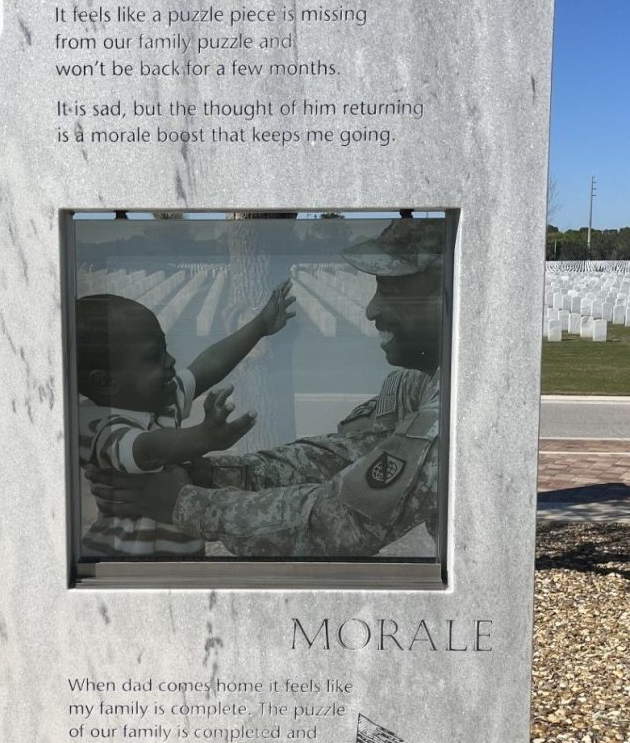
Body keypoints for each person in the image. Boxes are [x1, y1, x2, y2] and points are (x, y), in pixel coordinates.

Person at [87, 218, 445, 559]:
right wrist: (209, 474)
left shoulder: (447, 414)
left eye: (394, 289)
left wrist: (186, 503)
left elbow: (344, 520)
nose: (371, 309)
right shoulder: (416, 382)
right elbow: (344, 456)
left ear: (449, 296)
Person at [76, 280, 295, 557]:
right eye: (153, 357)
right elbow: (146, 449)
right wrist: (203, 438)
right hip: (122, 570)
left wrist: (260, 327)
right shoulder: (94, 423)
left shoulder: (161, 401)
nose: (170, 361)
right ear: (106, 382)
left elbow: (207, 366)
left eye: (165, 349)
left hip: (180, 565)